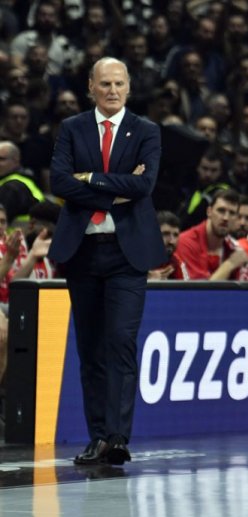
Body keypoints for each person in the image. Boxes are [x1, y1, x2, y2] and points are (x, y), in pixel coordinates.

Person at [47, 57, 166, 466]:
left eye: (118, 83)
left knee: (120, 341)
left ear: (129, 87)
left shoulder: (146, 130)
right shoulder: (72, 128)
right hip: (82, 252)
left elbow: (144, 185)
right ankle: (97, 436)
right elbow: (59, 182)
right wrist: (117, 188)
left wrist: (89, 178)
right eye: (105, 84)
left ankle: (117, 437)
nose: (112, 90)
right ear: (91, 87)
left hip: (127, 254)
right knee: (91, 348)